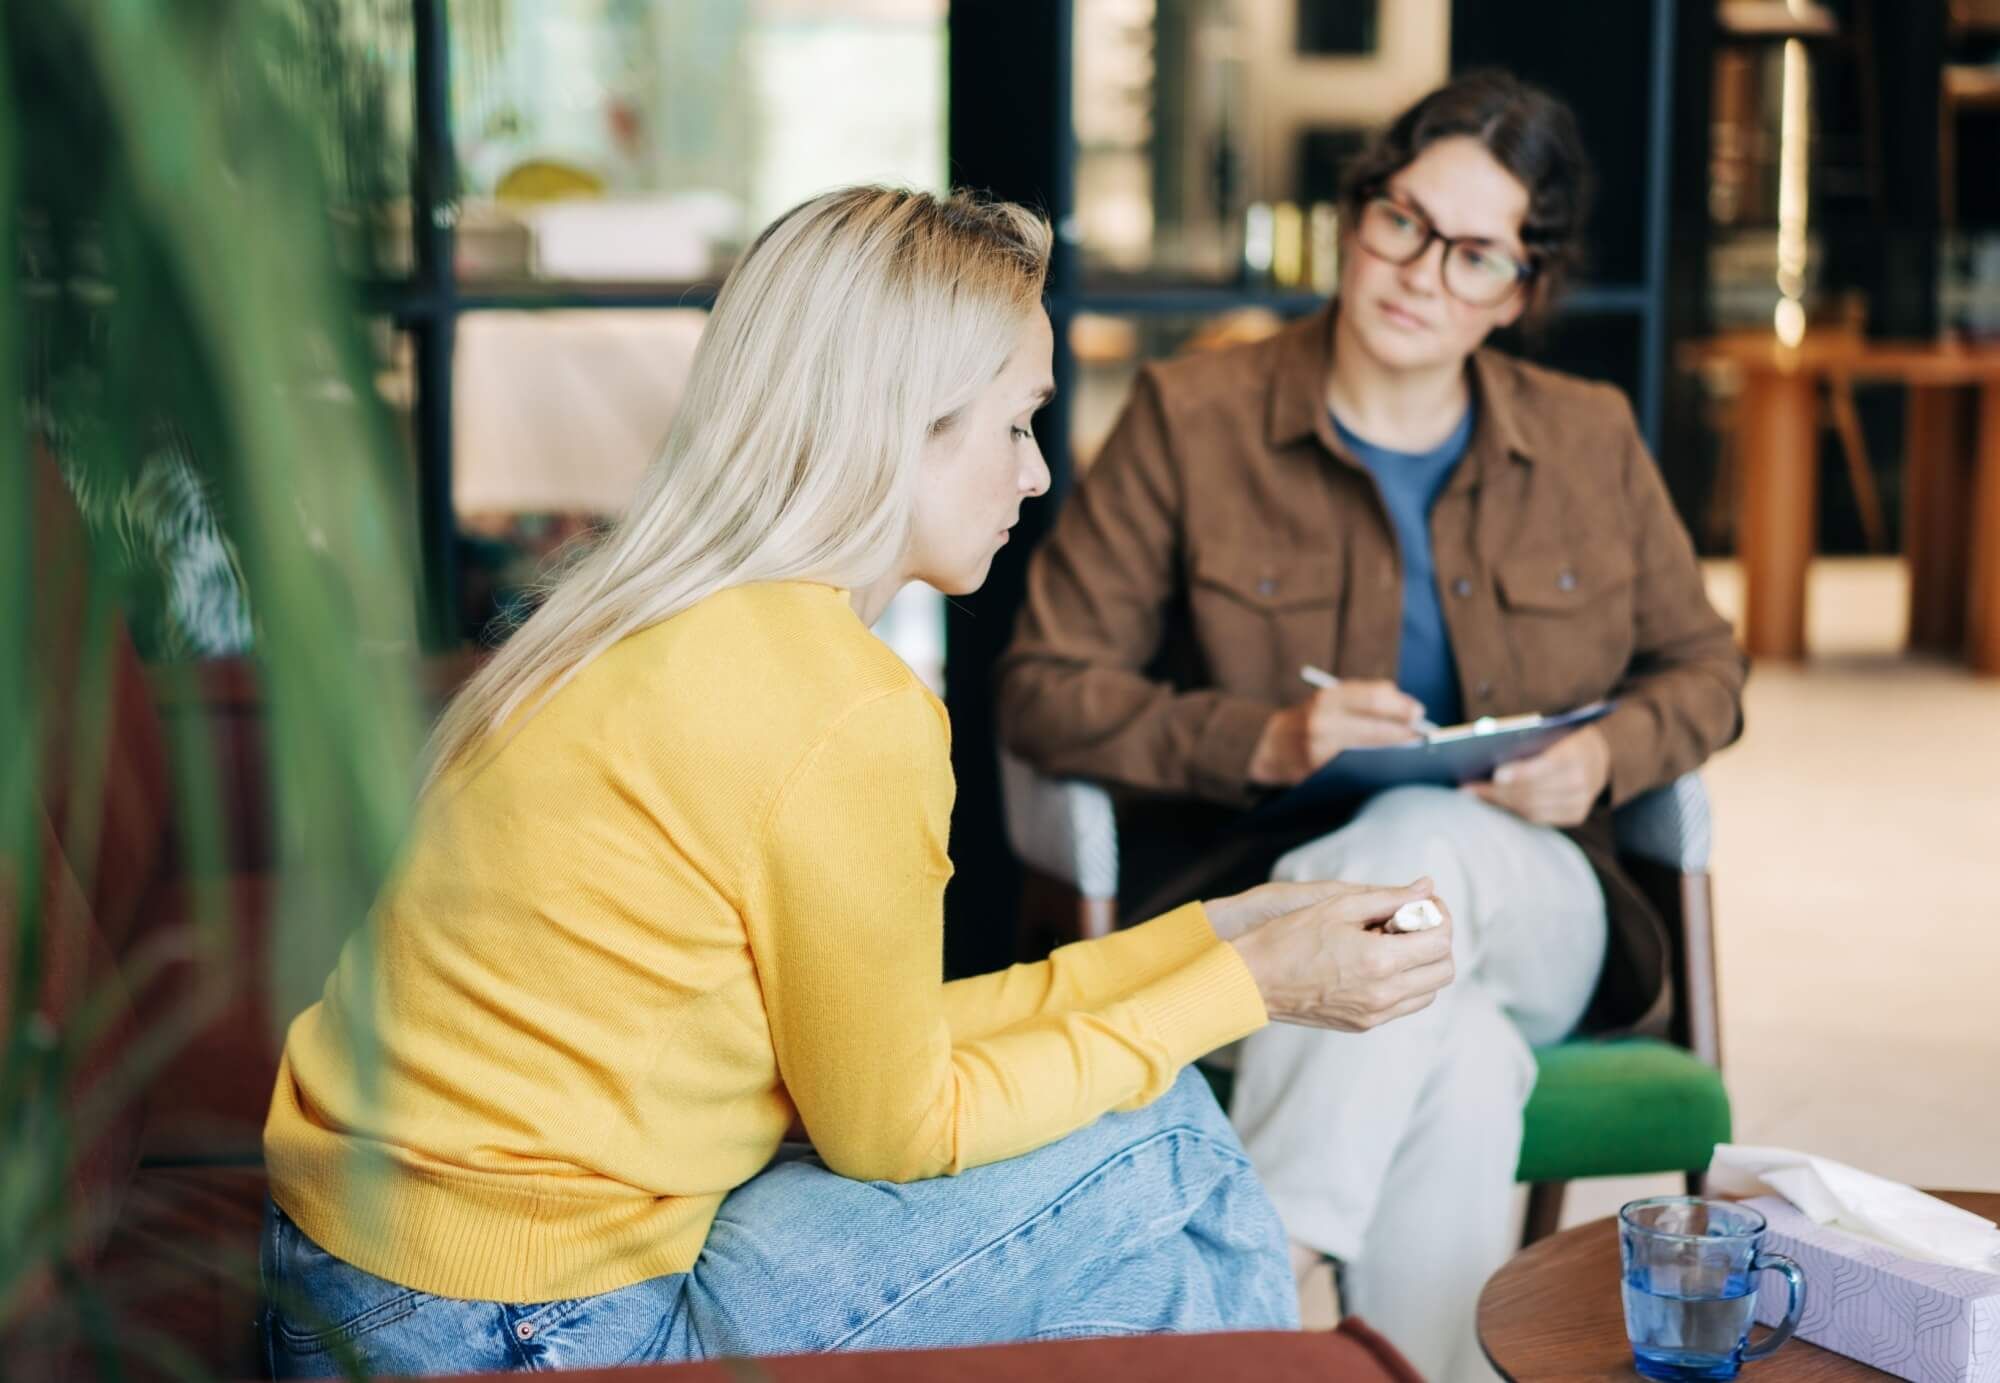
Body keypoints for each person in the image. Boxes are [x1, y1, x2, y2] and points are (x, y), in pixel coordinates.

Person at [258, 186, 1459, 1378]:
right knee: (1158, 1148)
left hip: (360, 1286)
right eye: (1014, 426)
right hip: (521, 1331)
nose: (1036, 478)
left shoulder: (634, 618)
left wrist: (1208, 944)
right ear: (903, 425)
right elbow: (895, 1124)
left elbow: (868, 1050)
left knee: (1141, 1192)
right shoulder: (844, 709)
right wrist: (1239, 992)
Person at [997, 71, 1746, 1383]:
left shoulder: (1587, 437)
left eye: (1472, 255)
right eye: (1402, 221)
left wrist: (1604, 755)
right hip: (1264, 925)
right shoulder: (1194, 416)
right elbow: (1043, 687)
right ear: (1357, 214)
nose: (1418, 272)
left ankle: (1267, 1273)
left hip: (1540, 904)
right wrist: (1263, 738)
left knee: (1418, 831)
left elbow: (1707, 668)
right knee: (1457, 1066)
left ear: (1520, 287)